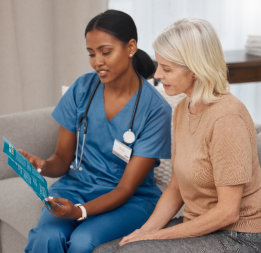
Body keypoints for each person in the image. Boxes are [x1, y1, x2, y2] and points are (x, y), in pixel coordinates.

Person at [94, 18, 261, 253]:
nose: (158, 74)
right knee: (104, 250)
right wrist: (144, 232)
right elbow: (176, 188)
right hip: (198, 224)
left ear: (195, 69)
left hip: (239, 236)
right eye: (159, 65)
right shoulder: (183, 109)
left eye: (167, 68)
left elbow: (228, 212)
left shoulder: (227, 118)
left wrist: (157, 236)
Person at [22, 9, 172, 253]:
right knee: (46, 238)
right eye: (91, 54)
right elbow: (61, 160)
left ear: (131, 47)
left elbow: (125, 189)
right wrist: (42, 166)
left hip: (129, 200)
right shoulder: (82, 88)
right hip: (76, 189)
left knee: (83, 242)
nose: (97, 62)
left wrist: (79, 211)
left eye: (105, 52)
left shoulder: (155, 110)